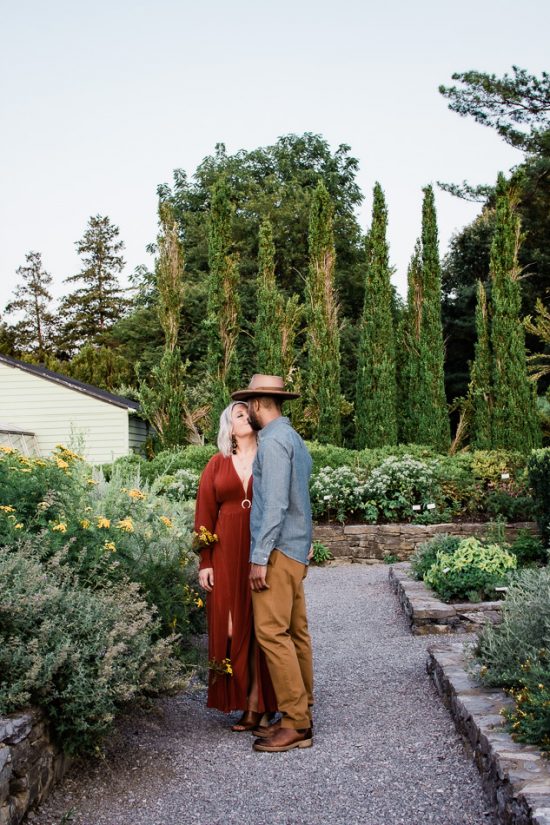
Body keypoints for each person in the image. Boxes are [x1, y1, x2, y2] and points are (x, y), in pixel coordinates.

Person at [231, 374, 315, 752]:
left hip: (279, 552)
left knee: (271, 633)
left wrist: (259, 557)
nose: (246, 410)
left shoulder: (274, 442)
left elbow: (277, 503)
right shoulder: (294, 438)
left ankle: (296, 723)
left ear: (261, 403)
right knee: (296, 634)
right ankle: (302, 711)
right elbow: (302, 500)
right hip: (295, 550)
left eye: (249, 403)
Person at [194, 401, 277, 730]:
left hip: (259, 548)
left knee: (262, 627)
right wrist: (206, 561)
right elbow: (204, 516)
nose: (247, 417)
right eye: (240, 415)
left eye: (248, 414)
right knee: (230, 627)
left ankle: (261, 704)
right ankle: (242, 700)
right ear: (229, 427)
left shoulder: (269, 458)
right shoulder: (216, 464)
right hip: (226, 551)